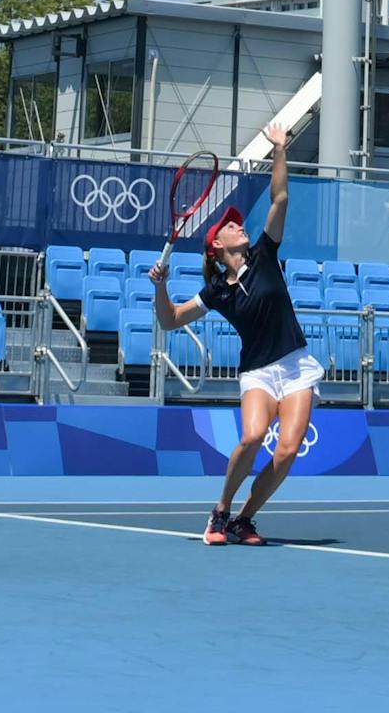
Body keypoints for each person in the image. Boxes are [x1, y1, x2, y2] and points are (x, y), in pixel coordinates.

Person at [145, 123, 309, 546]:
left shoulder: (265, 255)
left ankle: (244, 519)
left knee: (288, 450)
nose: (239, 227)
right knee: (253, 436)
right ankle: (220, 511)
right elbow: (171, 320)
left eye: (238, 225)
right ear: (216, 245)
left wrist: (279, 150)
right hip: (257, 371)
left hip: (295, 364)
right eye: (231, 226)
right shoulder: (216, 290)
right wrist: (160, 286)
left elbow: (282, 197)